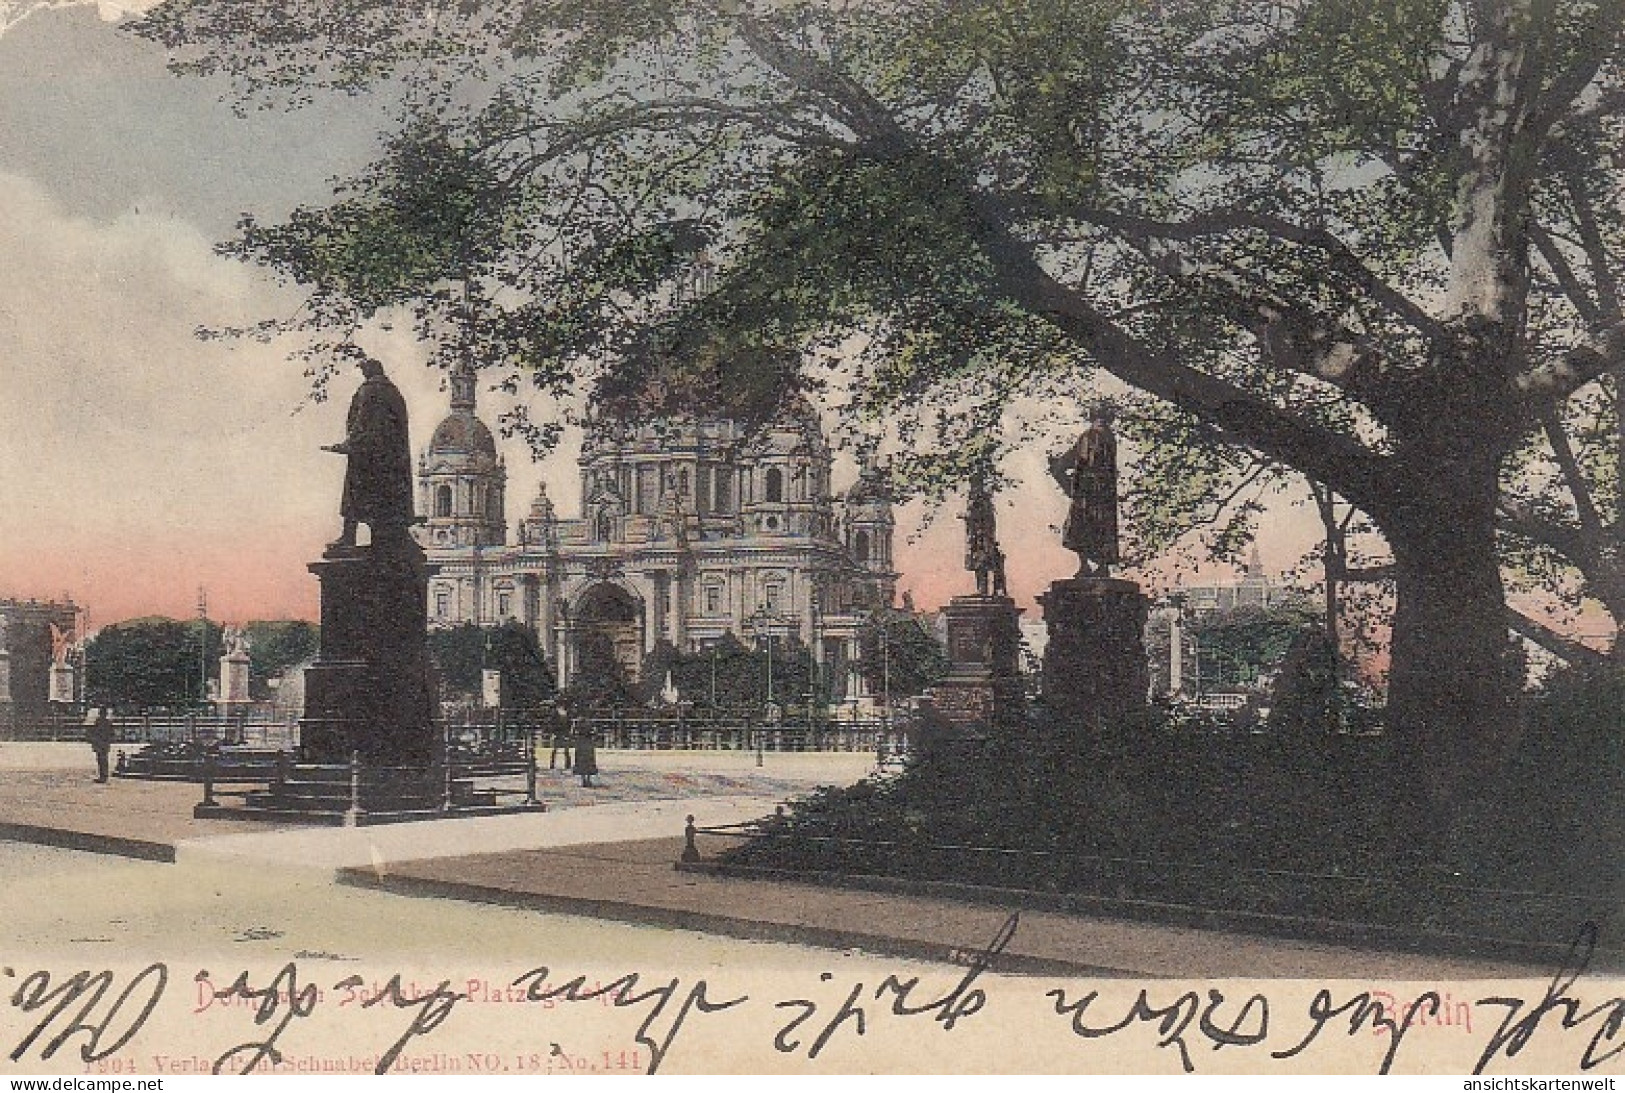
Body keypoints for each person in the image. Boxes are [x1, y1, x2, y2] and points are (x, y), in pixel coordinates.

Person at [322, 356, 416, 549]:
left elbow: (361, 423)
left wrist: (347, 445)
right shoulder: (394, 393)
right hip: (391, 461)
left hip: (366, 458)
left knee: (354, 498)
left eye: (363, 370)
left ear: (369, 371)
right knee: (387, 500)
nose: (362, 374)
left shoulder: (368, 391)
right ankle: (388, 541)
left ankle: (348, 538)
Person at [1048, 401, 1121, 577]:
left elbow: (1079, 458)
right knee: (1101, 527)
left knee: (1081, 526)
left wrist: (1058, 467)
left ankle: (1086, 566)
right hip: (1105, 493)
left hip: (1087, 491)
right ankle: (1100, 567)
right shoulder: (1110, 437)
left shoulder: (1089, 435)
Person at [85, 707, 114, 784]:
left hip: (100, 743)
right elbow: (111, 734)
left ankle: (103, 776)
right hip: (105, 743)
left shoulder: (99, 722)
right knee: (103, 759)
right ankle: (104, 776)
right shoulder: (108, 722)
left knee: (101, 760)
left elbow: (95, 732)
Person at [548, 702, 572, 771]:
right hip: (560, 732)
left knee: (559, 750)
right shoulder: (559, 714)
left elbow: (568, 723)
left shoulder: (559, 713)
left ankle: (554, 764)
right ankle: (566, 764)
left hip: (561, 732)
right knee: (560, 750)